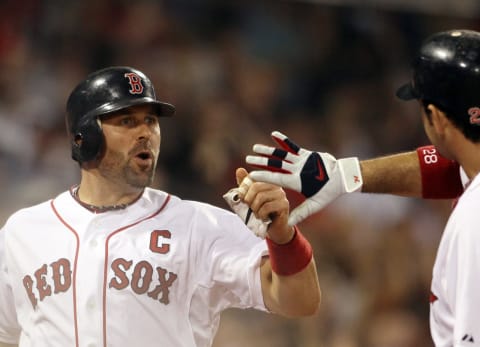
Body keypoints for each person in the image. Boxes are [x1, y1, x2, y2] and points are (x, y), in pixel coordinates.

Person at [0, 66, 321, 347]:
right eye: (127, 120)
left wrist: (283, 237)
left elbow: (300, 300)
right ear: (84, 137)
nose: (145, 133)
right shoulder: (22, 232)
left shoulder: (198, 224)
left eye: (151, 122)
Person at [245, 29, 480, 346]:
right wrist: (345, 175)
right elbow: (451, 167)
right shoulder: (470, 175)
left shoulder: (473, 218)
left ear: (437, 119)